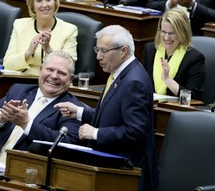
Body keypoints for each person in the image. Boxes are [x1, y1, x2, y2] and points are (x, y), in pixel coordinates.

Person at [55, 25, 158, 191]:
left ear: (123, 50)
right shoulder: (120, 72)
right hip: (113, 167)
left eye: (103, 51)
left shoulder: (134, 82)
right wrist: (80, 112)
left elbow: (135, 131)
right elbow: (115, 115)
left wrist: (96, 133)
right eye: (97, 49)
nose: (98, 57)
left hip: (127, 174)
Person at [0, 51, 84, 164]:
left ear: (71, 79)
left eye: (61, 73)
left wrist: (26, 124)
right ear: (41, 69)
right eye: (50, 70)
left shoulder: (73, 109)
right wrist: (1, 117)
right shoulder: (19, 90)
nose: (54, 76)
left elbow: (66, 144)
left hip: (25, 173)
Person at [3, 0, 78, 75]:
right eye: (39, 0)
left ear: (55, 2)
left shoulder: (69, 30)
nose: (44, 5)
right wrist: (28, 53)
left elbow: (68, 68)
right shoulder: (19, 25)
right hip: (22, 82)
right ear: (32, 5)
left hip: (54, 85)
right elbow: (7, 65)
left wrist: (48, 49)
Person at [143, 8, 205, 100]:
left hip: (176, 111)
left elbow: (193, 98)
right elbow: (141, 84)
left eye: (172, 33)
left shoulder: (195, 58)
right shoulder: (150, 50)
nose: (167, 38)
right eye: (163, 32)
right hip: (148, 107)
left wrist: (167, 80)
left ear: (182, 33)